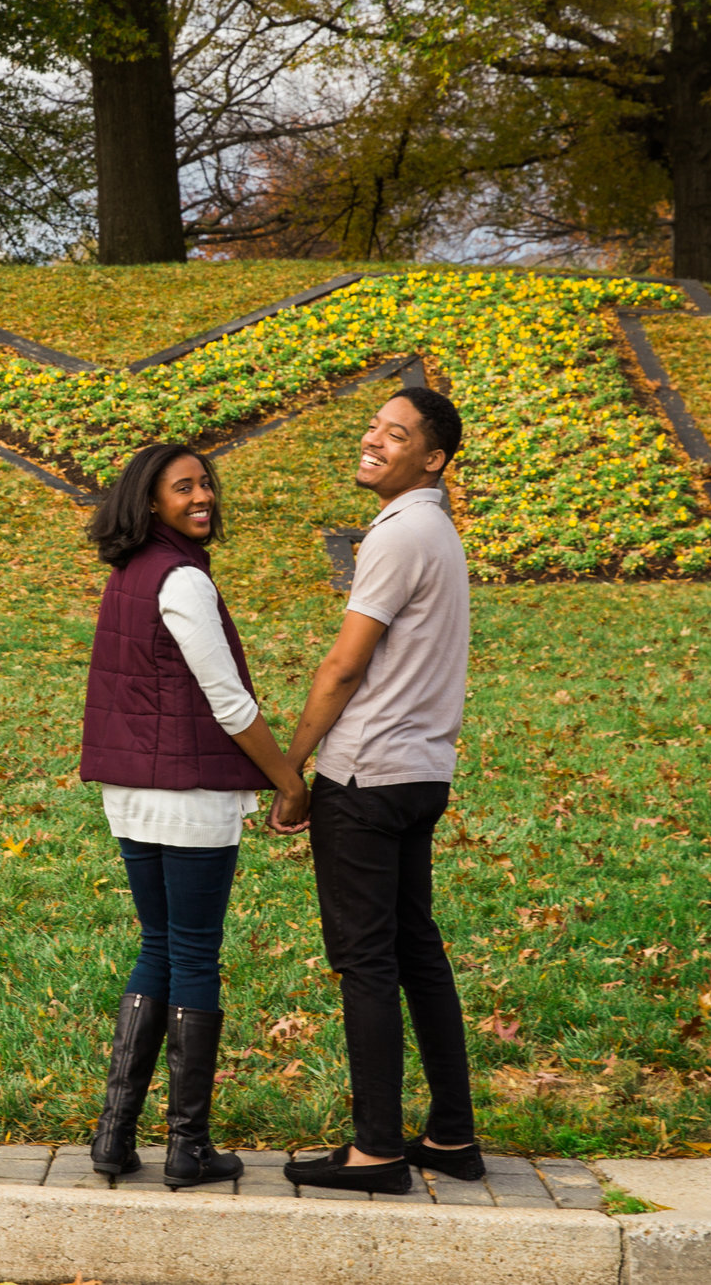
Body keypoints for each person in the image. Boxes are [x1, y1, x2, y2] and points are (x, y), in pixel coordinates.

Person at [78, 443, 309, 1189]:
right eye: (185, 486)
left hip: (132, 793)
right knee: (196, 953)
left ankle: (113, 1138)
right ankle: (190, 1145)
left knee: (159, 946)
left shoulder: (129, 574)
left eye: (206, 482)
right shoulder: (182, 579)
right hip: (191, 796)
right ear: (150, 501)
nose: (203, 494)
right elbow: (229, 702)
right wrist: (289, 781)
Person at [270, 386, 480, 1196]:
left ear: (433, 458)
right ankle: (453, 1137)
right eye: (373, 427)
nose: (374, 440)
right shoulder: (439, 530)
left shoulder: (397, 535)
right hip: (423, 772)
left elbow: (344, 665)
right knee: (416, 950)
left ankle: (376, 1150)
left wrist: (293, 771)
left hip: (366, 775)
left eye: (396, 434)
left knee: (366, 961)